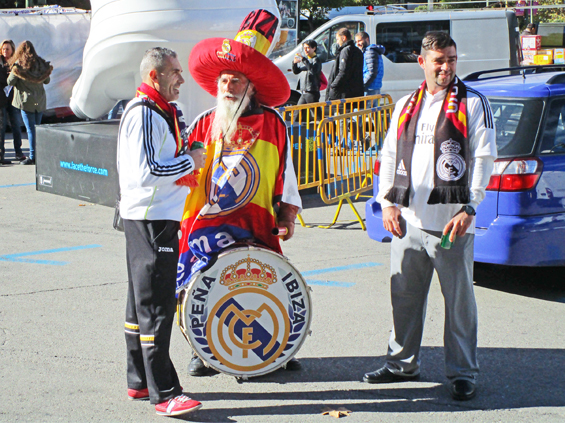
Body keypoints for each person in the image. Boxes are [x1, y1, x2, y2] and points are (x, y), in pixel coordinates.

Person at [362, 31, 497, 402]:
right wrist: (387, 202)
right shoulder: (406, 104)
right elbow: (389, 156)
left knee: (458, 304)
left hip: (451, 223)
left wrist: (471, 207)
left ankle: (462, 373)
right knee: (403, 297)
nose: (446, 67)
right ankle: (401, 363)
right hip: (407, 220)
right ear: (422, 62)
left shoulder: (472, 103)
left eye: (451, 59)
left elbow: (484, 158)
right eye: (439, 60)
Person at [176, 9, 303, 377]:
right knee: (200, 285)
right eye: (225, 80)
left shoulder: (274, 123)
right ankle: (202, 350)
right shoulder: (203, 124)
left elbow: (286, 171)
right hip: (206, 223)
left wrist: (287, 214)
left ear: (251, 87)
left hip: (256, 220)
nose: (228, 87)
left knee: (268, 281)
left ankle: (277, 346)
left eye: (236, 81)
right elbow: (186, 174)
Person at [118, 47, 206, 417]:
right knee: (156, 307)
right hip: (152, 220)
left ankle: (139, 380)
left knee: (139, 305)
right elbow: (147, 169)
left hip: (151, 218)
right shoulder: (144, 113)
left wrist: (187, 151)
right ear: (154, 76)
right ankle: (165, 392)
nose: (181, 80)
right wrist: (191, 161)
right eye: (174, 72)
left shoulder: (155, 110)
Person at [7, 40, 51, 165]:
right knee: (37, 129)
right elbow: (47, 80)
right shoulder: (40, 63)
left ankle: (32, 157)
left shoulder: (19, 65)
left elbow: (10, 82)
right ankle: (38, 154)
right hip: (40, 100)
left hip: (26, 102)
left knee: (31, 130)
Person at [1, 40, 24, 162]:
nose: (5, 51)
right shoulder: (0, 63)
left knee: (16, 126)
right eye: (3, 49)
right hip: (2, 100)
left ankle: (18, 152)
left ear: (12, 50)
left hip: (13, 99)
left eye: (7, 49)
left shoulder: (16, 63)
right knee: (2, 127)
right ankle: (1, 154)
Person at [326, 28, 364, 103]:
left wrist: (333, 85)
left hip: (344, 92)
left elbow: (343, 71)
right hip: (355, 90)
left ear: (343, 38)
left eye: (337, 39)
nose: (337, 42)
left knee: (342, 113)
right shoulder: (357, 50)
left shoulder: (345, 50)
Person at [355, 31, 385, 105]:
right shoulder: (374, 51)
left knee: (362, 113)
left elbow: (371, 72)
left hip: (369, 88)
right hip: (375, 87)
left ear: (367, 39)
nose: (357, 43)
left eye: (359, 40)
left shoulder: (369, 52)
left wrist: (362, 85)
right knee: (374, 113)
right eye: (356, 41)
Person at [292, 39, 322, 105]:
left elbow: (313, 70)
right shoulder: (306, 59)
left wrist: (304, 60)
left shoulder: (316, 59)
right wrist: (294, 63)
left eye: (308, 48)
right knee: (297, 113)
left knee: (316, 113)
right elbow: (296, 71)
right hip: (303, 92)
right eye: (304, 48)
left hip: (312, 92)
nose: (305, 50)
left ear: (314, 48)